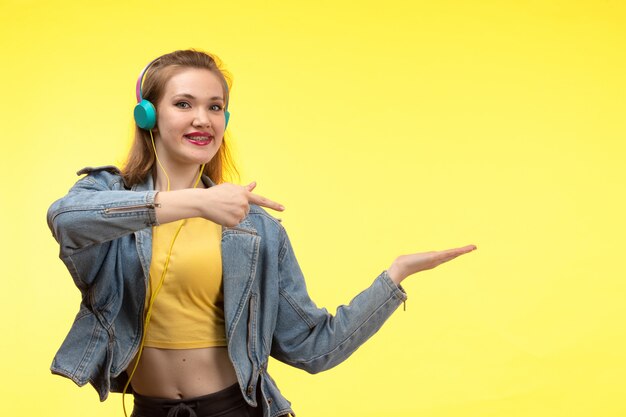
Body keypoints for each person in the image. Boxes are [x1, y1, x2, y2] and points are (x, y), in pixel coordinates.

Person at [47, 49, 477, 417]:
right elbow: (66, 221)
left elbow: (310, 348)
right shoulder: (105, 195)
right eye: (184, 103)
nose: (202, 119)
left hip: (235, 408)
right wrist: (197, 202)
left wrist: (393, 279)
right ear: (148, 114)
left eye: (215, 107)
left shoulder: (254, 229)